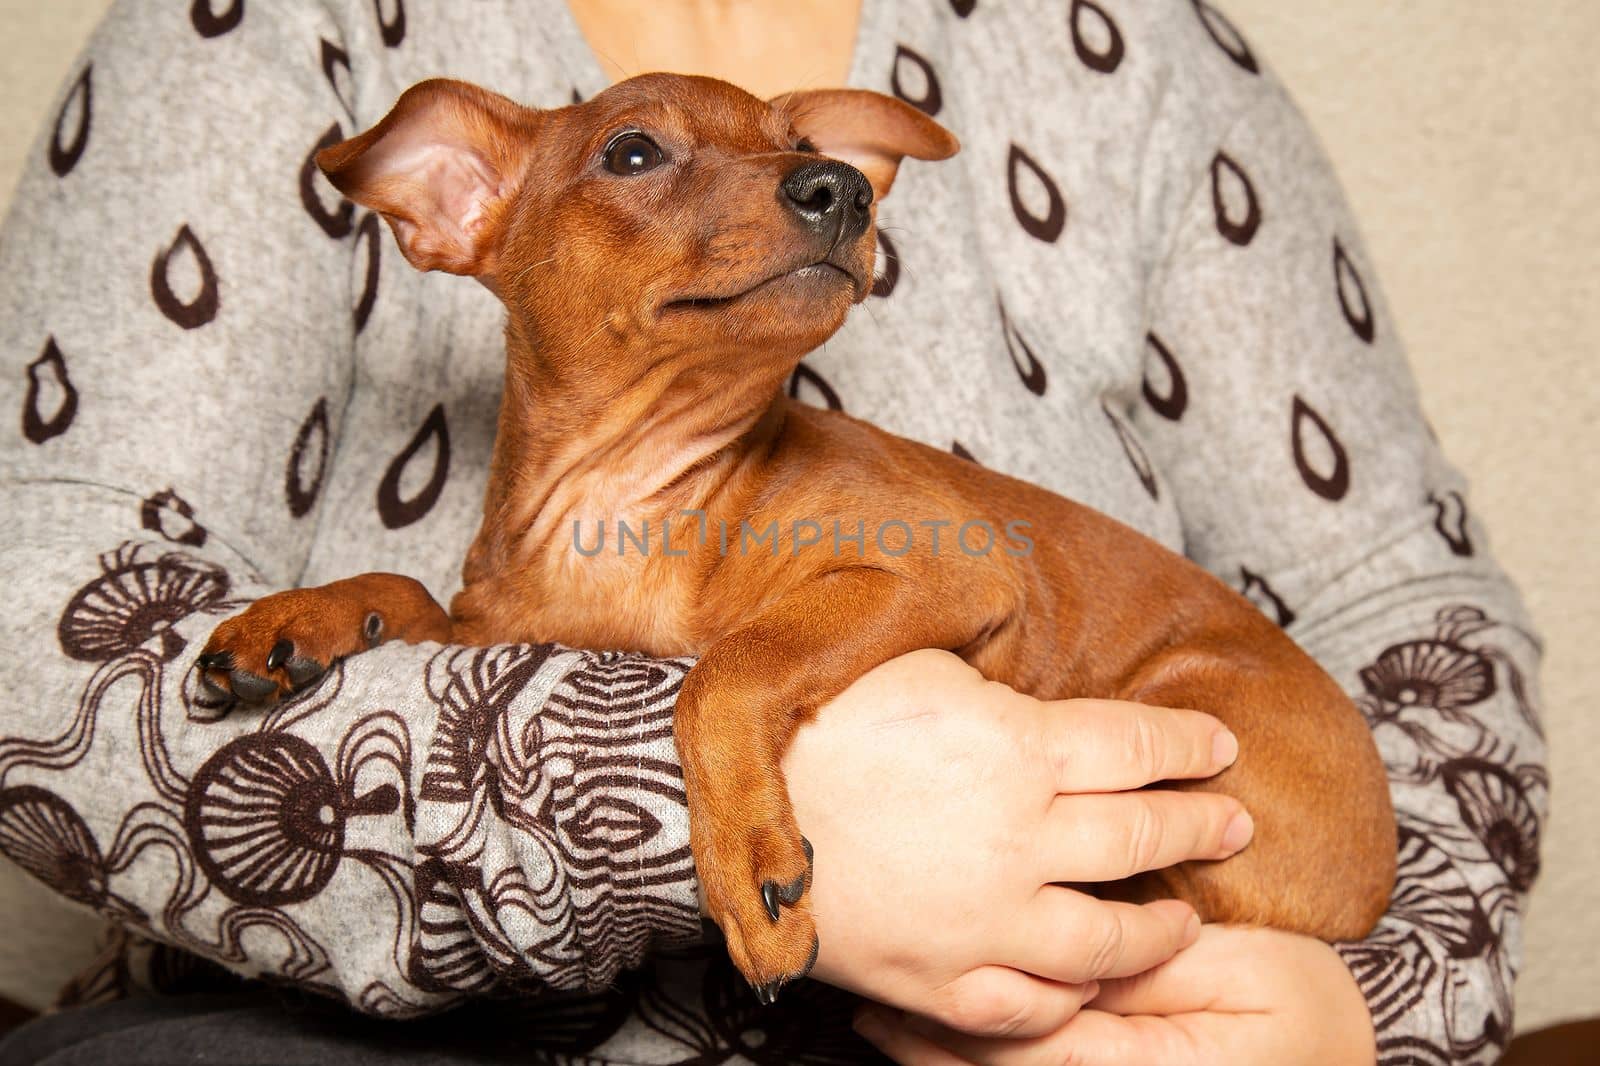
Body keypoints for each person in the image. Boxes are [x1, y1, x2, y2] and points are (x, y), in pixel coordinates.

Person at [0, 1, 1545, 1064]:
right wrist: (687, 785)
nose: (805, 192)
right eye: (641, 161)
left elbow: (1005, 578)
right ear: (453, 208)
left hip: (1152, 924)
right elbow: (39, 636)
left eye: (816, 174)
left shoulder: (1131, 53)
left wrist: (1364, 1021)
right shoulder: (279, 29)